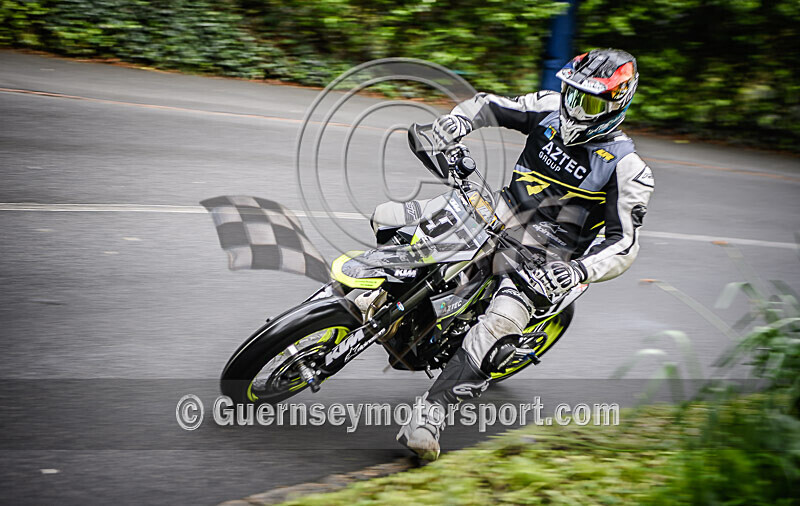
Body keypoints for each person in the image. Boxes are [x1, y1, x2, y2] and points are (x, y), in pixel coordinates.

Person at [371, 49, 654, 460]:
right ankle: (379, 297)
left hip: (548, 258)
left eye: (589, 103)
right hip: (497, 210)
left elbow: (624, 243)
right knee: (388, 218)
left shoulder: (628, 168)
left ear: (616, 104)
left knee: (500, 324)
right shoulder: (548, 107)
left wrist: (578, 271)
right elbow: (488, 105)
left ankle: (429, 415)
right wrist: (458, 121)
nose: (574, 108)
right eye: (572, 94)